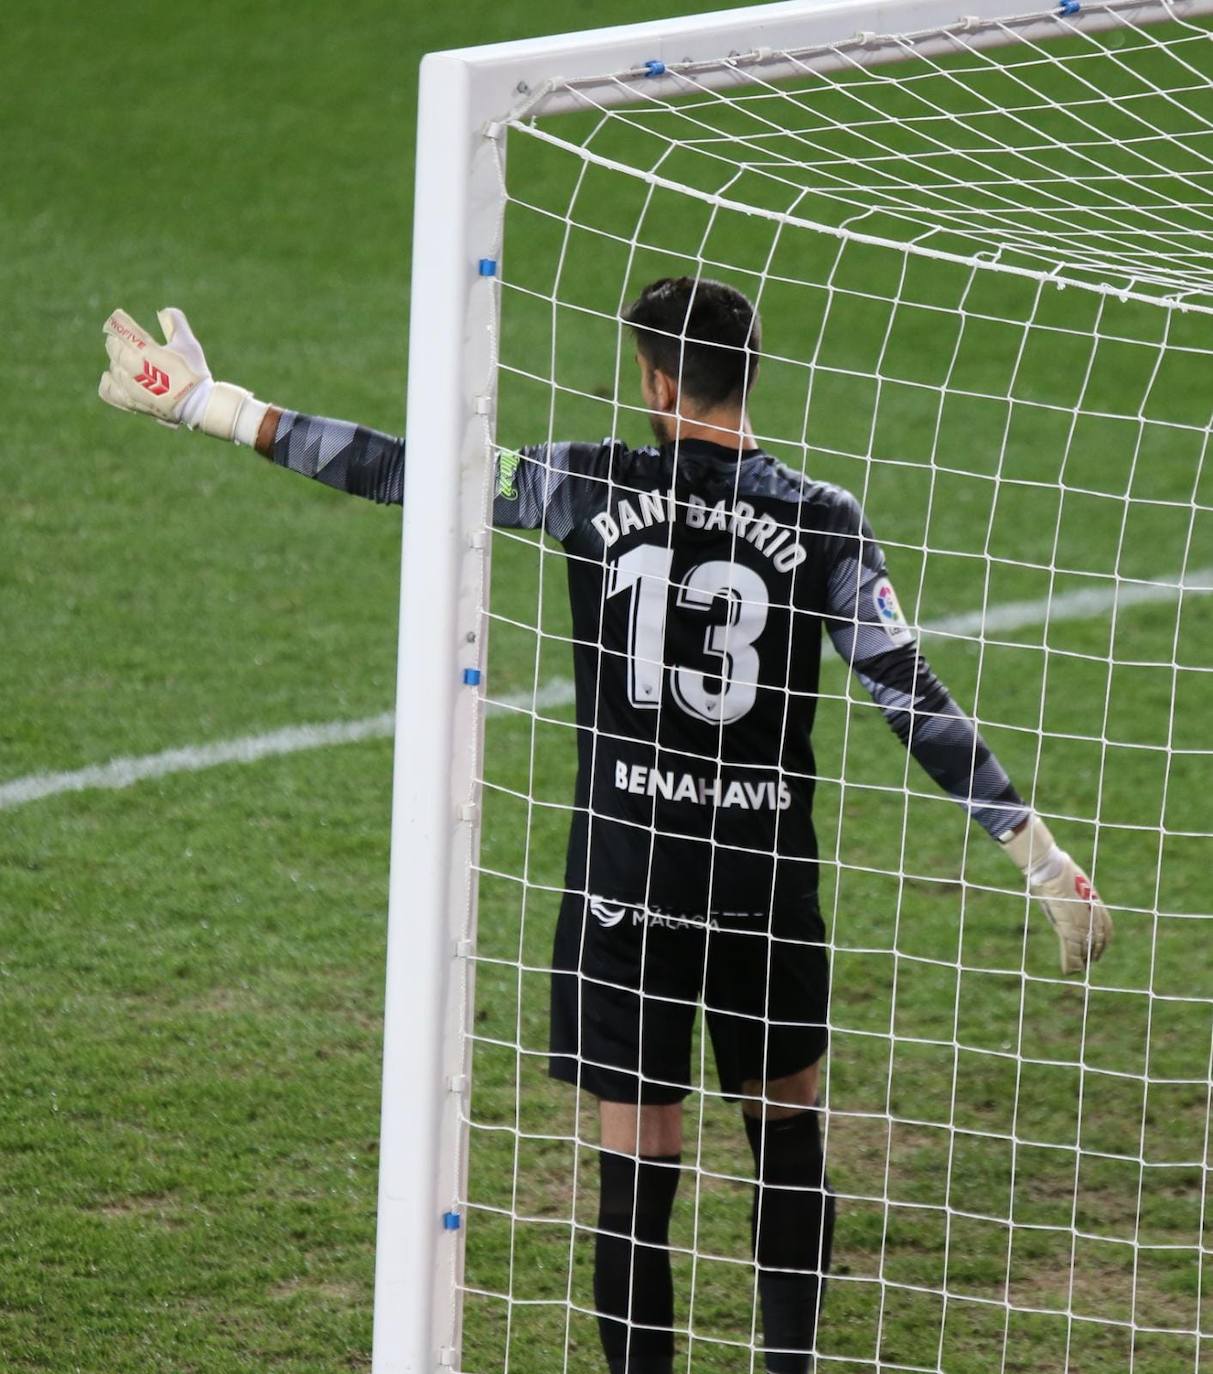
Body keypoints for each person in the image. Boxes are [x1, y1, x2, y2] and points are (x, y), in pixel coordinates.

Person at [98, 279, 1111, 1374]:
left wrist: (212, 406)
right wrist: (1038, 856)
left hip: (625, 888)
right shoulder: (823, 519)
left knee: (637, 1168)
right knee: (787, 1142)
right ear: (750, 375)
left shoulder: (583, 481)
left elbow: (404, 470)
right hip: (763, 890)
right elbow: (910, 697)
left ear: (658, 383)